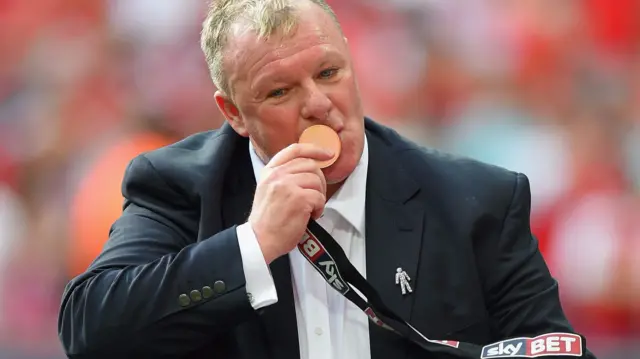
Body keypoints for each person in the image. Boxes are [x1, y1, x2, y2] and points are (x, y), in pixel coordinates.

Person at [57, 0, 596, 358]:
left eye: (329, 73)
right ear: (234, 113)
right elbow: (89, 331)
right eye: (279, 92)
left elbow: (554, 347)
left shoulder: (476, 200)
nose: (319, 105)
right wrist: (254, 243)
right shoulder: (179, 186)